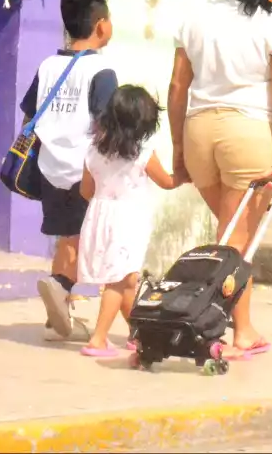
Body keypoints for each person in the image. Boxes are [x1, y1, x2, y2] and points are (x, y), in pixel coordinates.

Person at [167, 0, 272, 359]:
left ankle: (237, 324)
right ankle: (231, 328)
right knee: (234, 243)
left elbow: (177, 86)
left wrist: (177, 147)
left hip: (198, 133)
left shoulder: (197, 16)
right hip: (246, 135)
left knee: (229, 238)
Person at [19, 0, 118, 342]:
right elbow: (108, 126)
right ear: (101, 25)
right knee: (86, 242)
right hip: (84, 170)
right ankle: (60, 285)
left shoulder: (48, 65)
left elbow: (30, 112)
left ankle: (57, 314)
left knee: (68, 238)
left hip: (49, 167)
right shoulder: (102, 71)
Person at [76, 85, 186, 357]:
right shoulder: (143, 153)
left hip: (100, 217)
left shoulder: (93, 151)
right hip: (129, 220)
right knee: (118, 279)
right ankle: (98, 339)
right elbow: (167, 182)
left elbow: (85, 192)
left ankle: (137, 333)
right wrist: (184, 173)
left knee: (127, 279)